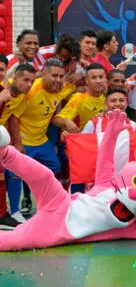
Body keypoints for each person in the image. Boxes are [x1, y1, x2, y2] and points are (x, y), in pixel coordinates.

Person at [10, 58, 77, 217]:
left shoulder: (63, 87)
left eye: (61, 76)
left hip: (41, 140)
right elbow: (13, 117)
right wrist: (18, 144)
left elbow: (79, 84)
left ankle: (52, 202)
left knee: (55, 167)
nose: (58, 80)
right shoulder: (30, 90)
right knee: (19, 173)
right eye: (54, 76)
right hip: (24, 140)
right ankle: (20, 205)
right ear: (44, 74)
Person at [0, 64, 36, 223]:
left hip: (3, 139)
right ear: (14, 77)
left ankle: (11, 211)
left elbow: (12, 118)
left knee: (11, 171)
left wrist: (17, 144)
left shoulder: (21, 95)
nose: (29, 84)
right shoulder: (2, 89)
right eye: (25, 80)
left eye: (31, 81)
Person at [53, 63, 107, 133]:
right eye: (94, 78)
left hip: (102, 140)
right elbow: (57, 120)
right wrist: (66, 122)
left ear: (105, 79)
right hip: (83, 140)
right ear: (87, 80)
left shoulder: (109, 96)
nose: (98, 81)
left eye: (101, 77)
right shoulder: (78, 98)